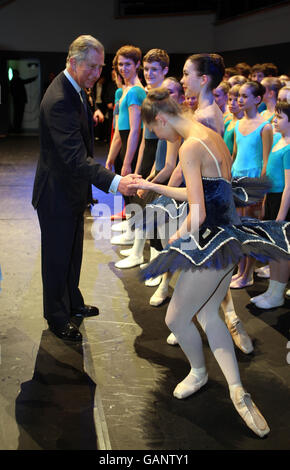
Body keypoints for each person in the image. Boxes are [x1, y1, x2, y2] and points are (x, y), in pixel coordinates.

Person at [129, 88, 289, 437]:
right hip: (229, 236)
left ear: (160, 119)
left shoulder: (188, 146)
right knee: (206, 313)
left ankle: (200, 373)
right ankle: (236, 390)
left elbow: (197, 211)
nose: (160, 138)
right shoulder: (210, 135)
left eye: (156, 132)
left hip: (210, 243)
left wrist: (176, 240)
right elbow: (206, 192)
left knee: (175, 318)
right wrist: (156, 188)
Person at [32, 35, 139, 342]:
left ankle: (72, 303)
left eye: (100, 67)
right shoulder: (60, 99)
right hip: (55, 194)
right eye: (92, 67)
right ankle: (56, 315)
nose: (97, 73)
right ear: (73, 62)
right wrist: (117, 182)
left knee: (72, 253)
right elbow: (75, 158)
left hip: (71, 191)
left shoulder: (77, 90)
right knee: (56, 257)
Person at [113, 48, 169, 267]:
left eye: (154, 69)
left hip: (160, 154)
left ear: (164, 70)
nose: (149, 73)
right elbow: (146, 138)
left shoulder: (164, 97)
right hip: (148, 153)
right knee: (141, 201)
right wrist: (137, 166)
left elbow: (161, 138)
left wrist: (154, 168)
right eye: (146, 69)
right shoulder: (149, 95)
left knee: (153, 207)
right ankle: (137, 250)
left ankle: (151, 257)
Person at [230, 81, 273, 289]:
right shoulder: (237, 124)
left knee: (250, 229)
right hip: (237, 177)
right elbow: (235, 154)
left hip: (253, 180)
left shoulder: (265, 126)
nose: (240, 99)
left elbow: (266, 161)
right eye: (239, 96)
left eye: (245, 96)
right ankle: (240, 271)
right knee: (237, 227)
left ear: (257, 99)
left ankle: (248, 274)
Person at [251, 100, 290, 309]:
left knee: (282, 250)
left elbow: (289, 187)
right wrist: (266, 201)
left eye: (280, 117)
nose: (274, 120)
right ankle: (272, 291)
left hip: (284, 202)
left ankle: (278, 294)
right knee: (273, 249)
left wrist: (280, 218)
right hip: (273, 199)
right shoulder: (278, 140)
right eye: (275, 116)